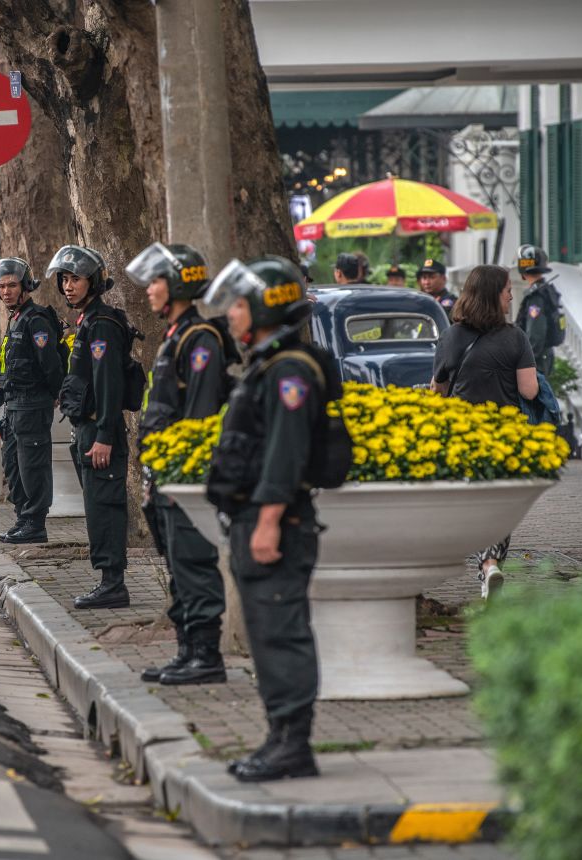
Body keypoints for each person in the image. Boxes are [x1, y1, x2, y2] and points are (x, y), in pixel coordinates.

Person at [203, 254, 327, 783]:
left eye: (237, 304)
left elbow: (286, 451)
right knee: (266, 632)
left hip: (278, 520)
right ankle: (279, 737)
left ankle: (293, 746)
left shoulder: (290, 370)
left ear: (261, 307)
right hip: (256, 516)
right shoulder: (268, 362)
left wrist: (270, 520)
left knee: (281, 632)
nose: (230, 314)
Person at [127, 242, 231, 686]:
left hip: (185, 479)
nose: (149, 290)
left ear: (178, 286)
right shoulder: (174, 337)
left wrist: (182, 474)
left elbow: (201, 415)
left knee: (194, 563)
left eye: (155, 282)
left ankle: (206, 656)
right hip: (164, 475)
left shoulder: (200, 339)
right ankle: (187, 651)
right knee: (177, 567)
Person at [431, 265, 540, 599]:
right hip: (506, 431)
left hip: (463, 432)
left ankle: (487, 567)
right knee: (501, 504)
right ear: (494, 294)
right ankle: (490, 563)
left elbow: (437, 391)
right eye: (507, 288)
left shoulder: (450, 336)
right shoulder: (516, 337)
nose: (511, 294)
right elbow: (530, 391)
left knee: (476, 504)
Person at [52, 245, 133, 610]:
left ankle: (113, 583)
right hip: (87, 430)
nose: (69, 286)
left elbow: (109, 386)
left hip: (101, 433)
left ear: (94, 282)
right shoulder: (88, 321)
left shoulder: (101, 324)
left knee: (105, 507)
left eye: (76, 279)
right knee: (96, 506)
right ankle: (107, 580)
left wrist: (103, 436)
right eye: (65, 279)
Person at [0, 257, 65, 545]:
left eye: (12, 285)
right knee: (13, 464)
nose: (6, 291)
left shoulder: (36, 319)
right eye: (2, 286)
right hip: (14, 406)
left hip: (33, 404)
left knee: (32, 465)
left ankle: (35, 523)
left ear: (25, 286)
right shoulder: (16, 318)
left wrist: (57, 392)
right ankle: (23, 518)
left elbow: (50, 364)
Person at [513, 244, 563, 377]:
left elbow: (535, 333)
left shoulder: (536, 296)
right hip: (543, 356)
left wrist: (526, 363)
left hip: (537, 360)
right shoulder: (546, 290)